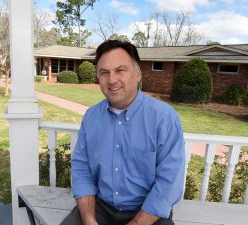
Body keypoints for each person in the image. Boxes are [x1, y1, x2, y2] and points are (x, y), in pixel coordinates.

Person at [60, 40, 185, 225]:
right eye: (104, 73)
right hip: (100, 207)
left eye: (120, 70)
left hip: (148, 211)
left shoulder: (164, 119)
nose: (112, 80)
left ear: (137, 74)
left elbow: (169, 183)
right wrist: (89, 220)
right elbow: (81, 169)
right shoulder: (91, 117)